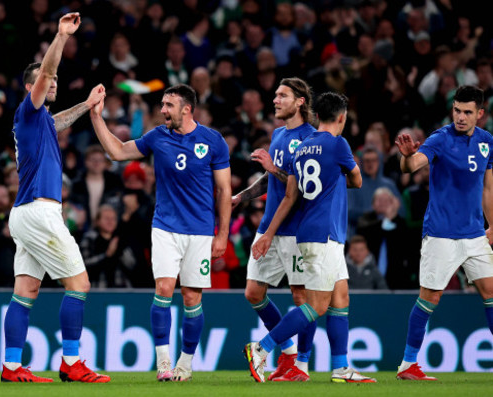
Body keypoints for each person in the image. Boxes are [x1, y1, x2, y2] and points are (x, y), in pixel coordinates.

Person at [90, 83, 231, 382]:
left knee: (192, 298)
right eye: (163, 104)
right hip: (165, 227)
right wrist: (96, 118)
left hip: (201, 231)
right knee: (164, 290)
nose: (163, 110)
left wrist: (222, 235)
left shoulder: (213, 141)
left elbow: (224, 189)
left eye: (169, 105)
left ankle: (186, 363)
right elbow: (117, 151)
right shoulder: (157, 137)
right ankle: (163, 363)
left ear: (187, 109)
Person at [1, 12, 110, 384]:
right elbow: (46, 73)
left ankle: (12, 366)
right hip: (40, 212)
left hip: (26, 213)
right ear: (30, 87)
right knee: (79, 285)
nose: (51, 85)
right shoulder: (27, 111)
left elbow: (59, 120)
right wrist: (61, 37)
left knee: (26, 291)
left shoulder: (42, 119)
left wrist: (86, 104)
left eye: (53, 83)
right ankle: (71, 362)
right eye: (45, 83)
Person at [244, 92, 376, 383]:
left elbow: (292, 193)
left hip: (311, 231)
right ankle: (261, 348)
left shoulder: (302, 147)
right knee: (315, 305)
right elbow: (357, 179)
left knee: (340, 298)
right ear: (341, 117)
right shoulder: (338, 144)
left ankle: (341, 368)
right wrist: (342, 176)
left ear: (316, 116)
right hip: (323, 232)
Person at [394, 85, 493, 381]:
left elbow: (488, 188)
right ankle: (407, 365)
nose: (460, 117)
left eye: (467, 112)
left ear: (480, 114)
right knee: (430, 298)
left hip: (475, 234)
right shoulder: (440, 138)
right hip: (441, 234)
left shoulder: (487, 141)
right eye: (456, 110)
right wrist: (407, 156)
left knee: (491, 293)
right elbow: (413, 165)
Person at [231, 77, 318, 381]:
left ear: (300, 102)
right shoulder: (279, 134)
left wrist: (273, 169)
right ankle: (289, 355)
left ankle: (301, 365)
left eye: (282, 96)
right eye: (276, 95)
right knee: (254, 293)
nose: (276, 100)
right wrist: (240, 198)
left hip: (296, 231)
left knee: (302, 298)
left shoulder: (312, 139)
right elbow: (272, 180)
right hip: (269, 226)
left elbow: (303, 188)